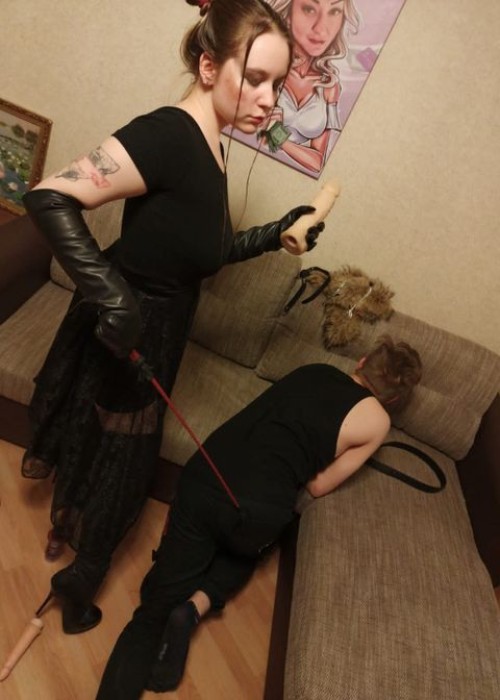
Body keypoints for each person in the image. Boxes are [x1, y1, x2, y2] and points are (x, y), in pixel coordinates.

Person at [21, 0, 324, 636]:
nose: (269, 100)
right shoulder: (168, 134)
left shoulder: (212, 143)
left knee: (103, 439)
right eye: (256, 78)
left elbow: (204, 252)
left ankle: (64, 533)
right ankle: (79, 583)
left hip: (158, 323)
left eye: (277, 82)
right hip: (130, 325)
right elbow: (49, 197)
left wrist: (276, 232)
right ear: (209, 67)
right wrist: (113, 298)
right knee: (126, 462)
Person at [95, 335, 422, 699]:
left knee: (152, 610)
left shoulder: (314, 370)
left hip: (204, 478)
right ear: (393, 399)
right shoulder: (378, 421)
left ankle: (156, 626)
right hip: (255, 512)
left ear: (361, 363)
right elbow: (318, 486)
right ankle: (195, 606)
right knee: (253, 546)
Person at [266, 0, 360, 174]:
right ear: (289, 12)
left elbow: (317, 162)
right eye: (309, 9)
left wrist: (279, 137)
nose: (321, 29)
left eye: (334, 12)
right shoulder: (270, 66)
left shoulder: (329, 87)